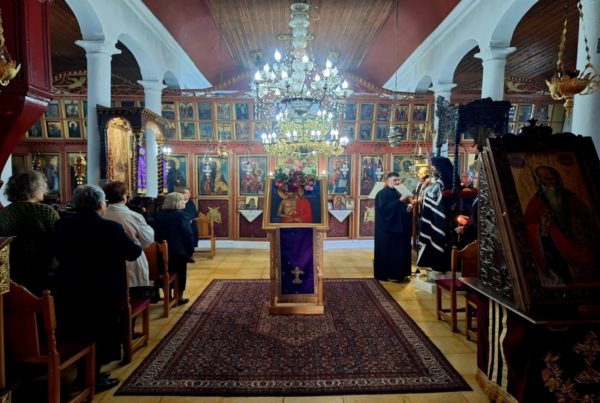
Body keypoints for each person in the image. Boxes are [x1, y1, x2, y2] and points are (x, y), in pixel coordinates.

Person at [53, 185, 142, 392]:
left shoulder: (62, 225)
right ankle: (93, 376)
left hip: (71, 287)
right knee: (101, 332)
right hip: (103, 289)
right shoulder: (109, 228)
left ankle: (86, 372)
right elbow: (132, 252)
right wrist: (135, 244)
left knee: (79, 329)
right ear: (101, 204)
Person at [523, 166, 599, 285]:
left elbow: (589, 221)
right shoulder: (535, 203)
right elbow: (527, 231)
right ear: (539, 182)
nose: (551, 183)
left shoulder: (572, 199)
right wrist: (542, 228)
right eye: (546, 179)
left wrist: (580, 224)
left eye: (553, 178)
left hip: (582, 245)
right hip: (556, 252)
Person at [0, 170, 59, 295]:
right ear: (34, 188)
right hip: (43, 274)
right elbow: (59, 241)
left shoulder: (4, 213)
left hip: (11, 276)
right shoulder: (45, 211)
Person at [102, 181, 155, 287]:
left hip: (106, 262)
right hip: (131, 260)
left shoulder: (101, 215)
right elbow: (147, 238)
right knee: (134, 292)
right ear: (123, 196)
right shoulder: (133, 216)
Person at [153, 192, 195, 305]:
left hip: (161, 251)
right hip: (178, 252)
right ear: (177, 202)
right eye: (183, 200)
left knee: (165, 273)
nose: (185, 202)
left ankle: (168, 296)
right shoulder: (182, 215)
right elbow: (187, 234)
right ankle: (179, 297)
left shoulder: (159, 215)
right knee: (181, 274)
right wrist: (190, 250)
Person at [374, 172, 413, 282]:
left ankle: (401, 274)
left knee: (400, 252)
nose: (397, 182)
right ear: (388, 181)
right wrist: (399, 201)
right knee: (389, 253)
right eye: (395, 180)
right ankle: (388, 274)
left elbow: (402, 210)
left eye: (399, 180)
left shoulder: (399, 192)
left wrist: (408, 208)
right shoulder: (382, 194)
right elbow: (384, 210)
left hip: (400, 228)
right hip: (387, 230)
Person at [416, 156, 454, 272]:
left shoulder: (446, 180)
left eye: (433, 166)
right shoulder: (440, 180)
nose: (431, 168)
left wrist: (426, 191)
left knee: (439, 238)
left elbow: (434, 195)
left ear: (439, 167)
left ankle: (439, 265)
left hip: (442, 215)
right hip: (435, 213)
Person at [180, 187, 198, 263]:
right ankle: (183, 255)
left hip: (191, 224)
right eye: (187, 193)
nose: (189, 194)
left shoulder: (190, 202)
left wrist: (190, 218)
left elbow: (194, 212)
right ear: (182, 194)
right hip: (182, 225)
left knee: (191, 239)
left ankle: (190, 256)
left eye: (189, 193)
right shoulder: (179, 203)